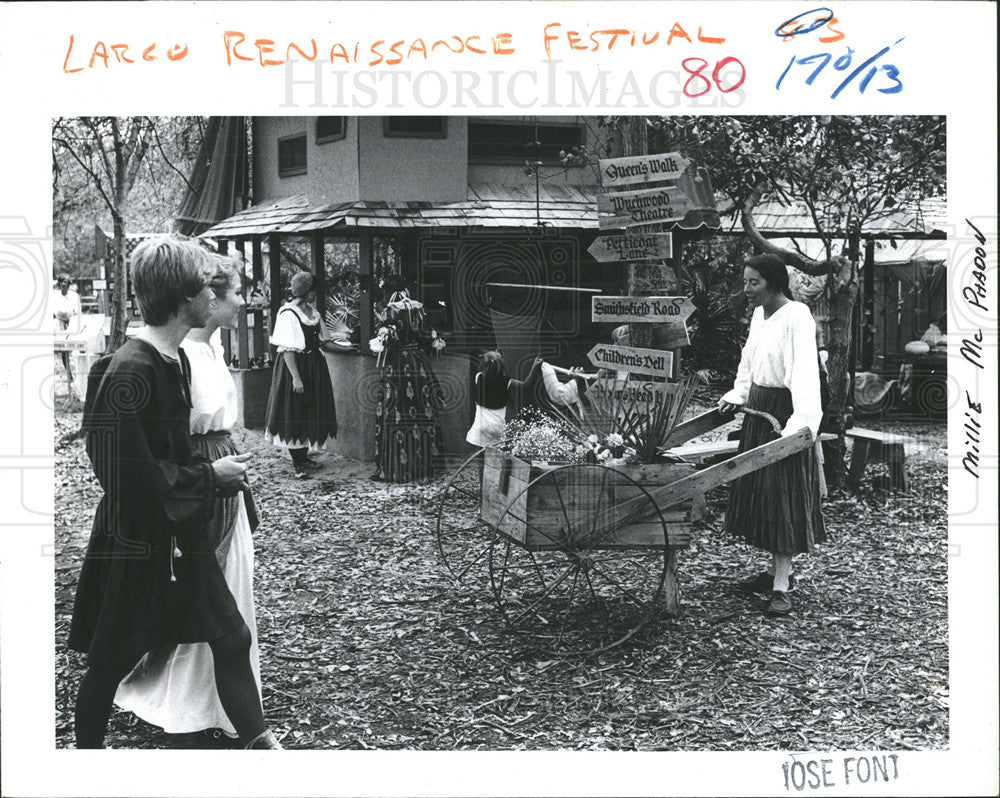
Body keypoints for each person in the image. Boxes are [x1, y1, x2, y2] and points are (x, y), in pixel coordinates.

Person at [69, 236, 280, 749]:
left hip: (181, 534)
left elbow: (174, 454)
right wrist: (212, 479)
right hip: (138, 545)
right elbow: (128, 478)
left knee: (232, 637)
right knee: (111, 663)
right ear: (184, 296)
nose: (215, 296)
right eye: (206, 287)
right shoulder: (129, 370)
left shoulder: (172, 361)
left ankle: (267, 752)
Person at [113, 252, 264, 743]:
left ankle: (229, 698)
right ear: (208, 298)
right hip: (201, 477)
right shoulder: (183, 356)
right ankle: (194, 697)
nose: (243, 302)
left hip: (220, 468)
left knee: (232, 582)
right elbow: (169, 441)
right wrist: (211, 474)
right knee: (210, 591)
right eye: (236, 293)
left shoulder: (213, 349)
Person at [718, 253, 826, 617]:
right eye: (745, 281)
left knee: (782, 497)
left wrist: (801, 425)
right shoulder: (758, 315)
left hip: (784, 413)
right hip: (759, 410)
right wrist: (737, 394)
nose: (746, 289)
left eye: (754, 283)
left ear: (775, 282)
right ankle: (773, 573)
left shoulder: (797, 316)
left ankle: (782, 585)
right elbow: (748, 364)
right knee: (761, 493)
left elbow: (806, 372)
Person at [264, 270, 339, 479]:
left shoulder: (313, 314)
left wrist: (346, 347)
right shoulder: (288, 314)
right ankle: (298, 462)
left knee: (311, 408)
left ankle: (304, 457)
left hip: (314, 367)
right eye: (313, 290)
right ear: (307, 292)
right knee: (295, 408)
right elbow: (288, 349)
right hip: (295, 367)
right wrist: (296, 377)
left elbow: (325, 339)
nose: (315, 294)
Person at [371, 274, 445, 482]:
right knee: (421, 409)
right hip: (417, 363)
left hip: (397, 366)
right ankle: (423, 466)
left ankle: (397, 467)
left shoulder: (390, 310)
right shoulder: (418, 309)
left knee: (396, 409)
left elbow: (388, 342)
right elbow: (427, 337)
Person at [466, 351, 541, 448]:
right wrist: (534, 367)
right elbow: (525, 385)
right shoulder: (507, 381)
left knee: (479, 454)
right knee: (494, 458)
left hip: (480, 427)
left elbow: (491, 368)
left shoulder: (478, 377)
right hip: (497, 427)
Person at [53, 274, 82, 384]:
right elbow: (56, 311)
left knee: (73, 350)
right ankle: (68, 373)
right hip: (60, 324)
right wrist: (63, 314)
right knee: (64, 350)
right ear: (59, 283)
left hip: (72, 323)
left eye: (66, 282)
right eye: (62, 282)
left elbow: (76, 310)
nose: (64, 284)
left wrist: (70, 315)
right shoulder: (55, 296)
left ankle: (76, 374)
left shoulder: (74, 296)